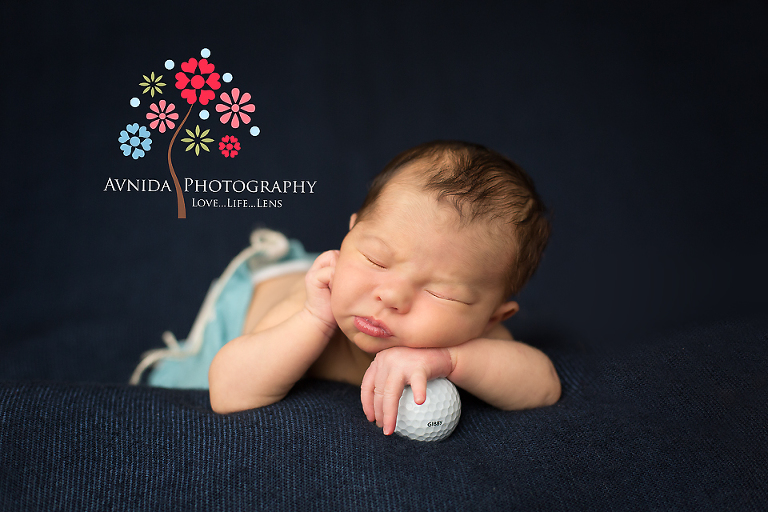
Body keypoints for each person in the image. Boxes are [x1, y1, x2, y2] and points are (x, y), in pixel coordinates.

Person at [208, 140, 561, 435]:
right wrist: (315, 319)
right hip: (245, 306)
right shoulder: (316, 304)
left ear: (491, 318)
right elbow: (227, 391)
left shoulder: (473, 338)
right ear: (349, 236)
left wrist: (448, 360)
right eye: (376, 259)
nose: (391, 296)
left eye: (441, 293)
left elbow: (544, 386)